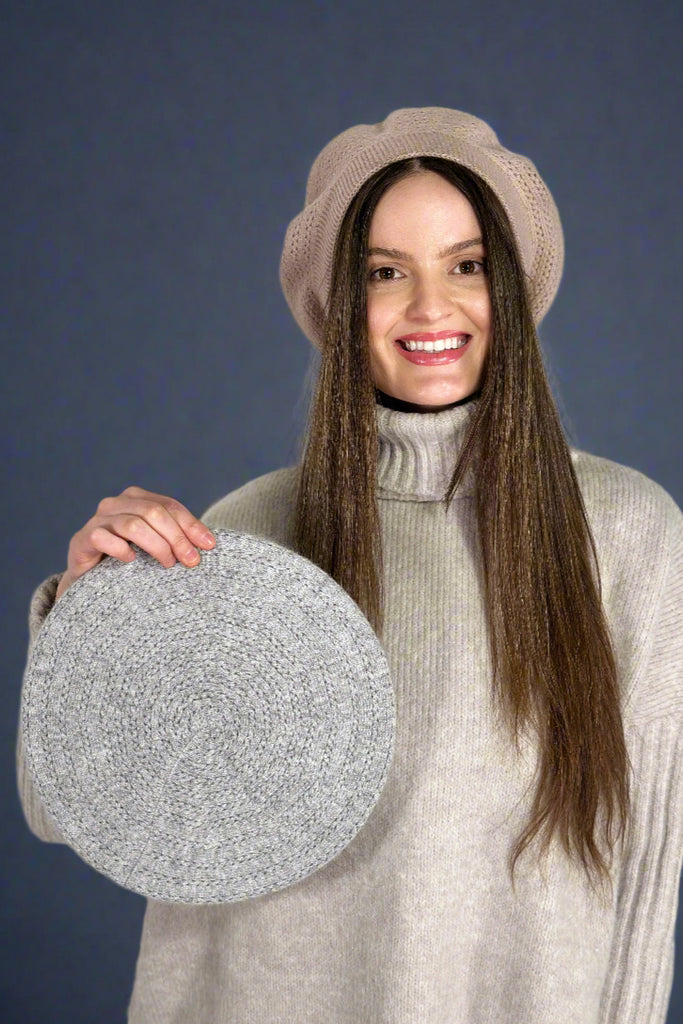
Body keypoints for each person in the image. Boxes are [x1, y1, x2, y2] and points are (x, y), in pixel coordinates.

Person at [17, 108, 683, 1023]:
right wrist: (86, 619)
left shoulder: (627, 535)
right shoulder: (242, 535)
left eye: (467, 264)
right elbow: (66, 813)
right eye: (383, 272)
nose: (429, 308)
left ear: (514, 290)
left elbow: (644, 872)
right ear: (338, 304)